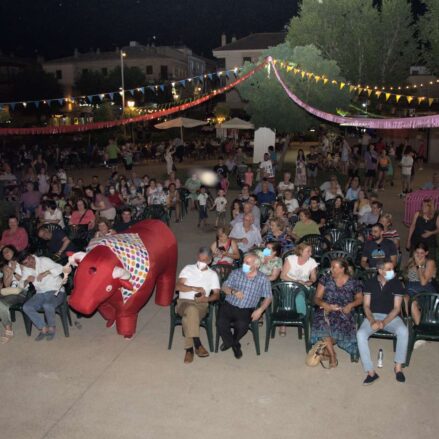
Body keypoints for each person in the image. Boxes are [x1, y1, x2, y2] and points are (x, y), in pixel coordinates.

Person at [357, 261, 408, 385]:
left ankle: (398, 367)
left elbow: (396, 308)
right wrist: (372, 320)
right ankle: (371, 372)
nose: (393, 271)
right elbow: (366, 306)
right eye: (389, 269)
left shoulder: (397, 283)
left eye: (393, 268)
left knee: (403, 331)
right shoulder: (370, 283)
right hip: (373, 315)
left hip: (391, 316)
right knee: (360, 334)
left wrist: (384, 322)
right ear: (380, 271)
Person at [218, 252, 272, 358]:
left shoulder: (263, 279)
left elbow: (268, 297)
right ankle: (234, 344)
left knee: (242, 326)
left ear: (256, 265)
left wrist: (260, 310)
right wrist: (233, 291)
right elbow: (224, 287)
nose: (244, 264)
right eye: (243, 262)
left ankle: (230, 342)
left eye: (247, 263)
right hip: (229, 304)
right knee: (220, 323)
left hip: (246, 308)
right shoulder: (236, 273)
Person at [312, 258, 363, 368]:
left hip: (344, 310)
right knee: (322, 322)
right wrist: (326, 305)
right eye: (331, 267)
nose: (331, 269)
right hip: (326, 308)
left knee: (341, 325)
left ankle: (326, 347)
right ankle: (332, 354)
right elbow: (317, 298)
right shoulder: (325, 279)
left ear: (342, 269)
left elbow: (360, 298)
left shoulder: (354, 282)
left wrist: (350, 305)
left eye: (334, 267)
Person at [175, 247, 220, 364]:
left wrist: (206, 298)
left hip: (201, 304)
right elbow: (178, 286)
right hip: (184, 302)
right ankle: (197, 343)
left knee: (188, 318)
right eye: (200, 259)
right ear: (197, 257)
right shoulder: (188, 269)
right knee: (190, 309)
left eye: (204, 260)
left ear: (210, 260)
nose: (201, 262)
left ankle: (189, 350)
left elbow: (217, 295)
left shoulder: (213, 274)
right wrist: (195, 288)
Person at [20, 251, 67, 341]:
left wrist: (46, 272)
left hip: (56, 290)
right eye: (26, 263)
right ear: (23, 265)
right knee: (26, 307)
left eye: (30, 259)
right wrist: (26, 281)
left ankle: (51, 328)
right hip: (40, 293)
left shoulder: (44, 260)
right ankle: (43, 328)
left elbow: (61, 268)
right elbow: (21, 285)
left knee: (47, 305)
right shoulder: (26, 270)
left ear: (31, 255)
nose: (30, 263)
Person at [280, 242, 319, 336]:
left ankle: (302, 322)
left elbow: (313, 278)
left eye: (311, 251)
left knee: (300, 298)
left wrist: (310, 281)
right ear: (300, 251)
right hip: (288, 283)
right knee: (287, 297)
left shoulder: (311, 261)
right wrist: (296, 281)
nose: (310, 253)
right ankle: (283, 323)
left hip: (303, 285)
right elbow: (283, 275)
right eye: (308, 251)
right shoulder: (290, 259)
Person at [404, 243, 437, 325]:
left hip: (424, 290)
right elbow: (406, 278)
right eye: (417, 252)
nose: (419, 255)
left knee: (411, 301)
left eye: (422, 253)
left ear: (426, 253)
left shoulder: (430, 262)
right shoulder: (411, 261)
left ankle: (420, 327)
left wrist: (419, 265)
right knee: (404, 298)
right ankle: (410, 325)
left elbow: (423, 282)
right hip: (410, 289)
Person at [0, 245, 26, 343]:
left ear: (13, 251)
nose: (6, 253)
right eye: (4, 252)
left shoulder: (22, 262)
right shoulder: (6, 267)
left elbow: (26, 280)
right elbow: (6, 285)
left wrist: (14, 271)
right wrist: (10, 271)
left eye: (8, 251)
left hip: (23, 292)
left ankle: (8, 330)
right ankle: (8, 327)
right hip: (11, 292)